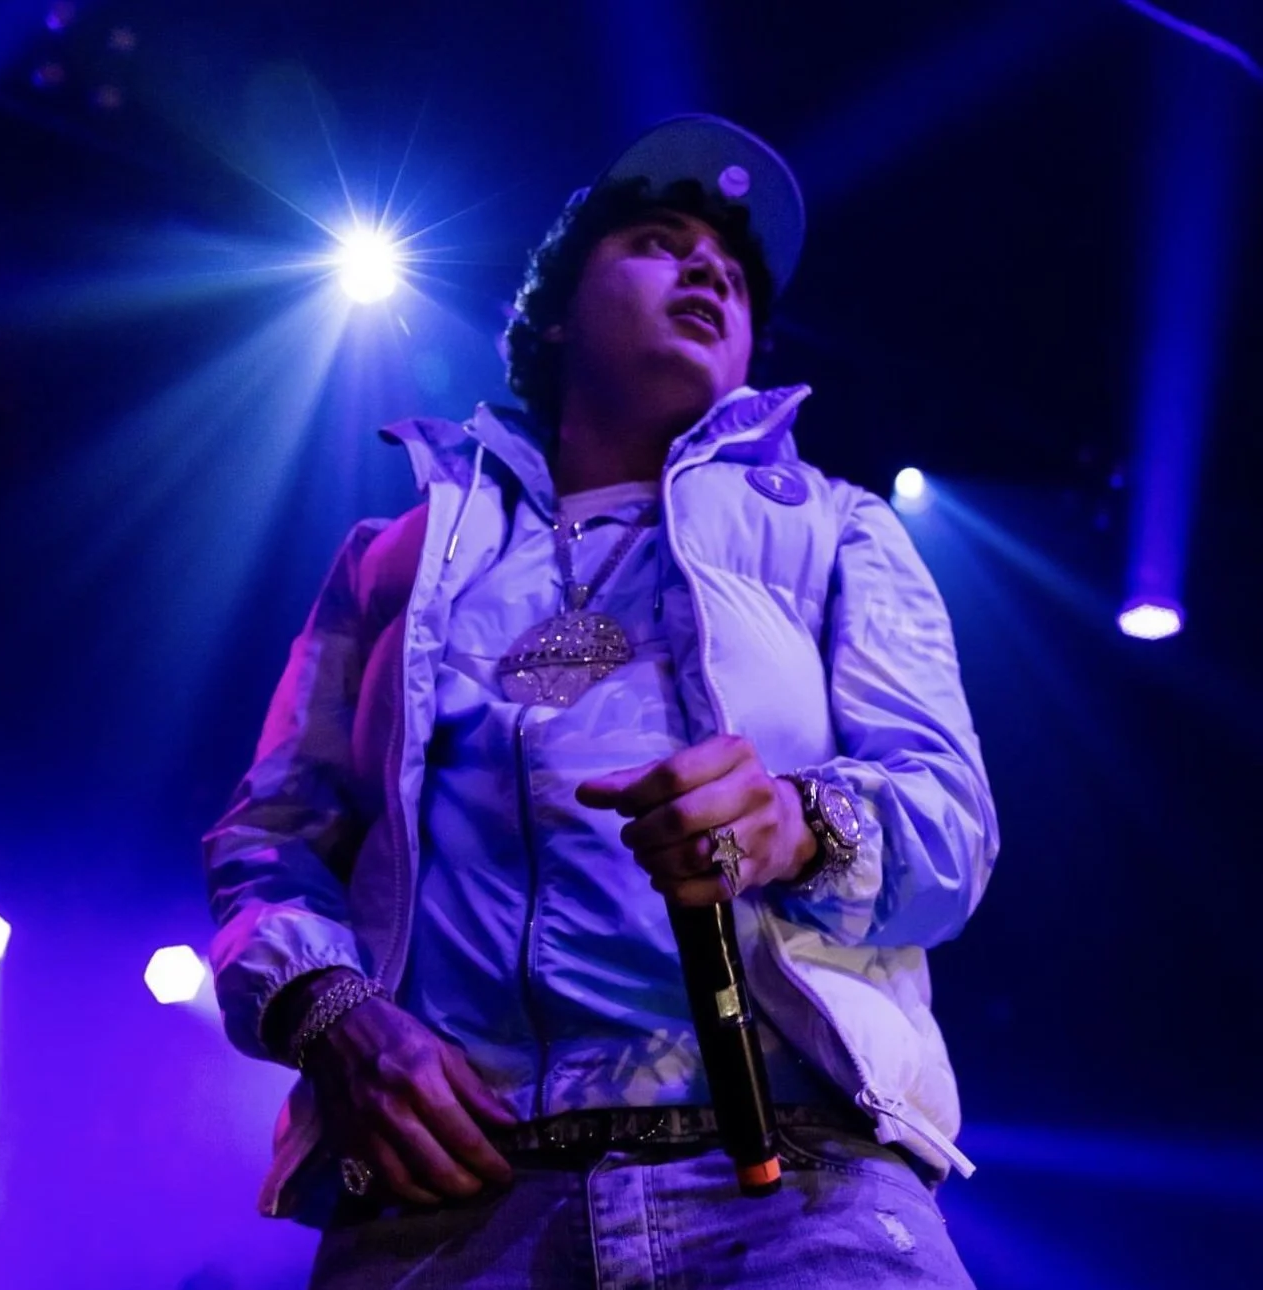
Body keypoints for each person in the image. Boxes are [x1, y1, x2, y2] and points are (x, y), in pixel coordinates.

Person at [204, 115, 999, 1288]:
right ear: (554, 315)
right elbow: (269, 841)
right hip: (447, 1208)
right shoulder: (392, 559)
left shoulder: (841, 529)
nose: (707, 274)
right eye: (661, 242)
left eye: (733, 276)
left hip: (795, 1190)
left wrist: (797, 824)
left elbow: (953, 832)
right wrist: (332, 1014)